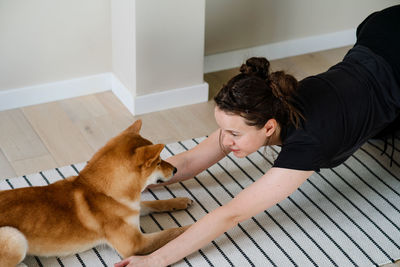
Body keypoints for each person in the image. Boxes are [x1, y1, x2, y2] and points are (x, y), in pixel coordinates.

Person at [115, 5, 400, 266]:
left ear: (269, 127)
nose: (225, 141)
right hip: (379, 33)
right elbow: (190, 161)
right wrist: (130, 184)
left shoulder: (308, 143)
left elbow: (232, 213)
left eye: (235, 134)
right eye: (224, 129)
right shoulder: (265, 105)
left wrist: (155, 260)